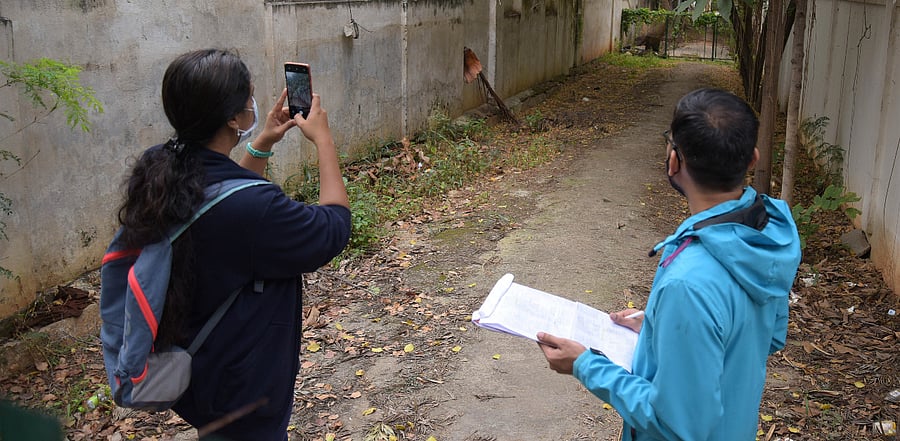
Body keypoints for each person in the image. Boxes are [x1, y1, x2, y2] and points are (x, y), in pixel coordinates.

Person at [537, 88, 801, 440]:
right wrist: (660, 328)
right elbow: (765, 336)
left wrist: (586, 365)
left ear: (674, 162)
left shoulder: (688, 284)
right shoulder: (765, 235)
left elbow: (678, 424)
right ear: (751, 159)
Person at [115, 49, 351, 440]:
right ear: (232, 117)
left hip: (196, 363)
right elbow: (333, 228)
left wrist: (261, 144)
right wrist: (324, 141)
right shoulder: (256, 210)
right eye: (249, 96)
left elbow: (222, 199)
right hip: (242, 384)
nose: (254, 104)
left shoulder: (160, 166)